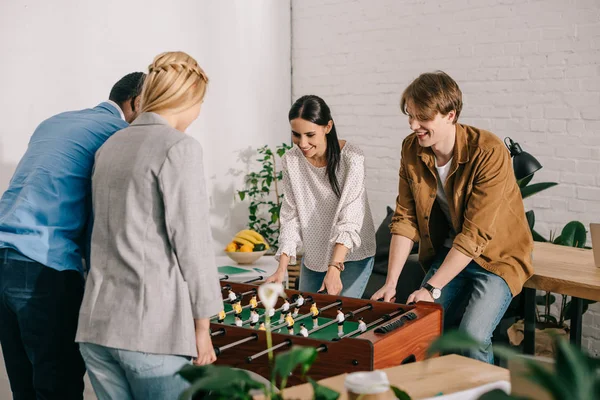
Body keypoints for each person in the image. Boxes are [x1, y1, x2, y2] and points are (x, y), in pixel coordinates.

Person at [75, 51, 221, 399]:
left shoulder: (110, 145)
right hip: (149, 333)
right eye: (200, 102)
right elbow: (193, 243)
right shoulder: (180, 147)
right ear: (186, 98)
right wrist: (203, 326)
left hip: (96, 329)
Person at [371, 71, 534, 364]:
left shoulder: (489, 151)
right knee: (423, 330)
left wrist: (431, 288)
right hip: (451, 253)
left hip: (496, 258)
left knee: (471, 338)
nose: (413, 125)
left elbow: (475, 235)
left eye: (423, 117)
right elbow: (405, 217)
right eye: (410, 115)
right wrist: (391, 282)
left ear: (450, 115)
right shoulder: (411, 149)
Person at [0, 72, 144, 400]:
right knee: (58, 387)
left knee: (24, 387)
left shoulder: (54, 121)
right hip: (42, 266)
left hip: (3, 258)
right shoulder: (120, 135)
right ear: (136, 103)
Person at [266, 95, 376, 297]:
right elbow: (291, 216)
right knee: (305, 318)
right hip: (315, 256)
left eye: (310, 134)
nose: (303, 143)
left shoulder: (352, 159)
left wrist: (334, 267)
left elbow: (351, 218)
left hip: (351, 254)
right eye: (296, 135)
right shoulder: (291, 160)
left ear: (328, 127)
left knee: (337, 319)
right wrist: (281, 268)